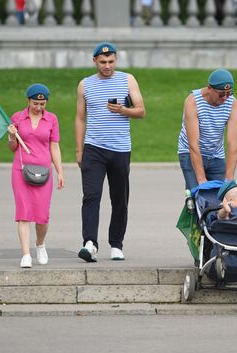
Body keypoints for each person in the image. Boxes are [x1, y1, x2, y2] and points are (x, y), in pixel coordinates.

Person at [74, 42, 146, 262]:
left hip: (120, 149)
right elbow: (79, 118)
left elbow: (141, 111)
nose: (107, 66)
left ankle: (116, 244)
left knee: (119, 198)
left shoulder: (128, 79)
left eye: (111, 61)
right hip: (94, 148)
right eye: (103, 62)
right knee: (91, 196)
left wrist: (123, 110)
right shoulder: (85, 85)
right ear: (95, 61)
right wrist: (79, 150)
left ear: (116, 60)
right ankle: (89, 243)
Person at [7, 83, 64, 268]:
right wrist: (12, 137)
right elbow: (12, 148)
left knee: (42, 216)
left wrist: (60, 171)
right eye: (35, 104)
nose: (39, 107)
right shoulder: (17, 117)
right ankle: (25, 255)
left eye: (43, 104)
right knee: (23, 213)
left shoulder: (52, 119)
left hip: (44, 171)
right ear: (28, 101)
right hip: (21, 170)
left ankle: (40, 244)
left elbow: (54, 146)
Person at [177, 68, 237, 191]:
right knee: (197, 194)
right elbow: (193, 144)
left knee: (221, 197)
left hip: (216, 154)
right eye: (221, 94)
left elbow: (233, 144)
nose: (225, 98)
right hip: (190, 153)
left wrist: (228, 180)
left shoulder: (233, 104)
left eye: (229, 93)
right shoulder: (193, 101)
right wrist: (201, 179)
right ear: (209, 88)